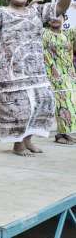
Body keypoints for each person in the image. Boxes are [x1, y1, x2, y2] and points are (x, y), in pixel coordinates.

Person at [0, 0, 74, 156]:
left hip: (36, 69)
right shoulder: (2, 12)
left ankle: (28, 140)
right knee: (19, 108)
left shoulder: (37, 11)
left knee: (43, 103)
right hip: (10, 70)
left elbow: (61, 7)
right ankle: (18, 143)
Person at [42, 15, 76, 144]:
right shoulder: (43, 33)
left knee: (70, 104)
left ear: (64, 19)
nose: (55, 19)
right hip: (53, 75)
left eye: (58, 16)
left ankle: (64, 133)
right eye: (51, 17)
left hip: (70, 75)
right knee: (62, 104)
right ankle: (61, 135)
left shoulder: (69, 33)